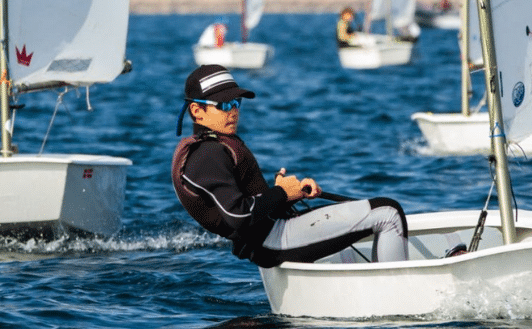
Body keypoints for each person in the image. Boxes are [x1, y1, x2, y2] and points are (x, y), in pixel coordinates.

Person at [171, 64, 410, 267]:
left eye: (236, 103)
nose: (232, 111)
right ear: (197, 111)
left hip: (272, 235)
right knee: (388, 212)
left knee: (358, 228)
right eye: (223, 105)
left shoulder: (215, 147)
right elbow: (239, 215)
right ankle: (398, 296)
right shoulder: (206, 156)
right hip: (272, 241)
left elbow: (252, 206)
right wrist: (281, 192)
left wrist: (289, 195)